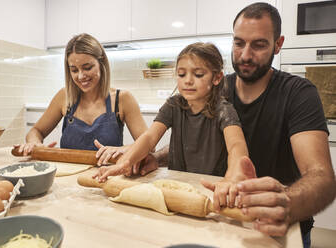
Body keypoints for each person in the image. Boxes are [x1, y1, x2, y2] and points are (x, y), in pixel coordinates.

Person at [201, 2, 336, 247]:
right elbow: (197, 141)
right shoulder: (218, 90)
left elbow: (322, 178)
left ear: (278, 44)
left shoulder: (298, 93)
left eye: (259, 44)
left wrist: (286, 202)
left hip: (280, 227)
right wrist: (157, 157)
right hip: (222, 221)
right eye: (239, 43)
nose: (245, 55)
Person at [94, 42, 255, 211]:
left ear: (217, 78)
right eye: (181, 74)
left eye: (198, 74)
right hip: (176, 185)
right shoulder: (174, 105)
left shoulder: (224, 110)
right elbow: (149, 137)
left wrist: (232, 178)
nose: (188, 81)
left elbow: (236, 146)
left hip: (211, 189)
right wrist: (124, 163)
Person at [14, 33, 148, 165]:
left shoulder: (122, 99)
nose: (81, 76)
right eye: (74, 70)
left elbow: (148, 145)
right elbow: (36, 131)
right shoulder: (64, 96)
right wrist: (34, 143)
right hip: (67, 178)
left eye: (87, 68)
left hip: (107, 175)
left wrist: (122, 149)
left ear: (101, 62)